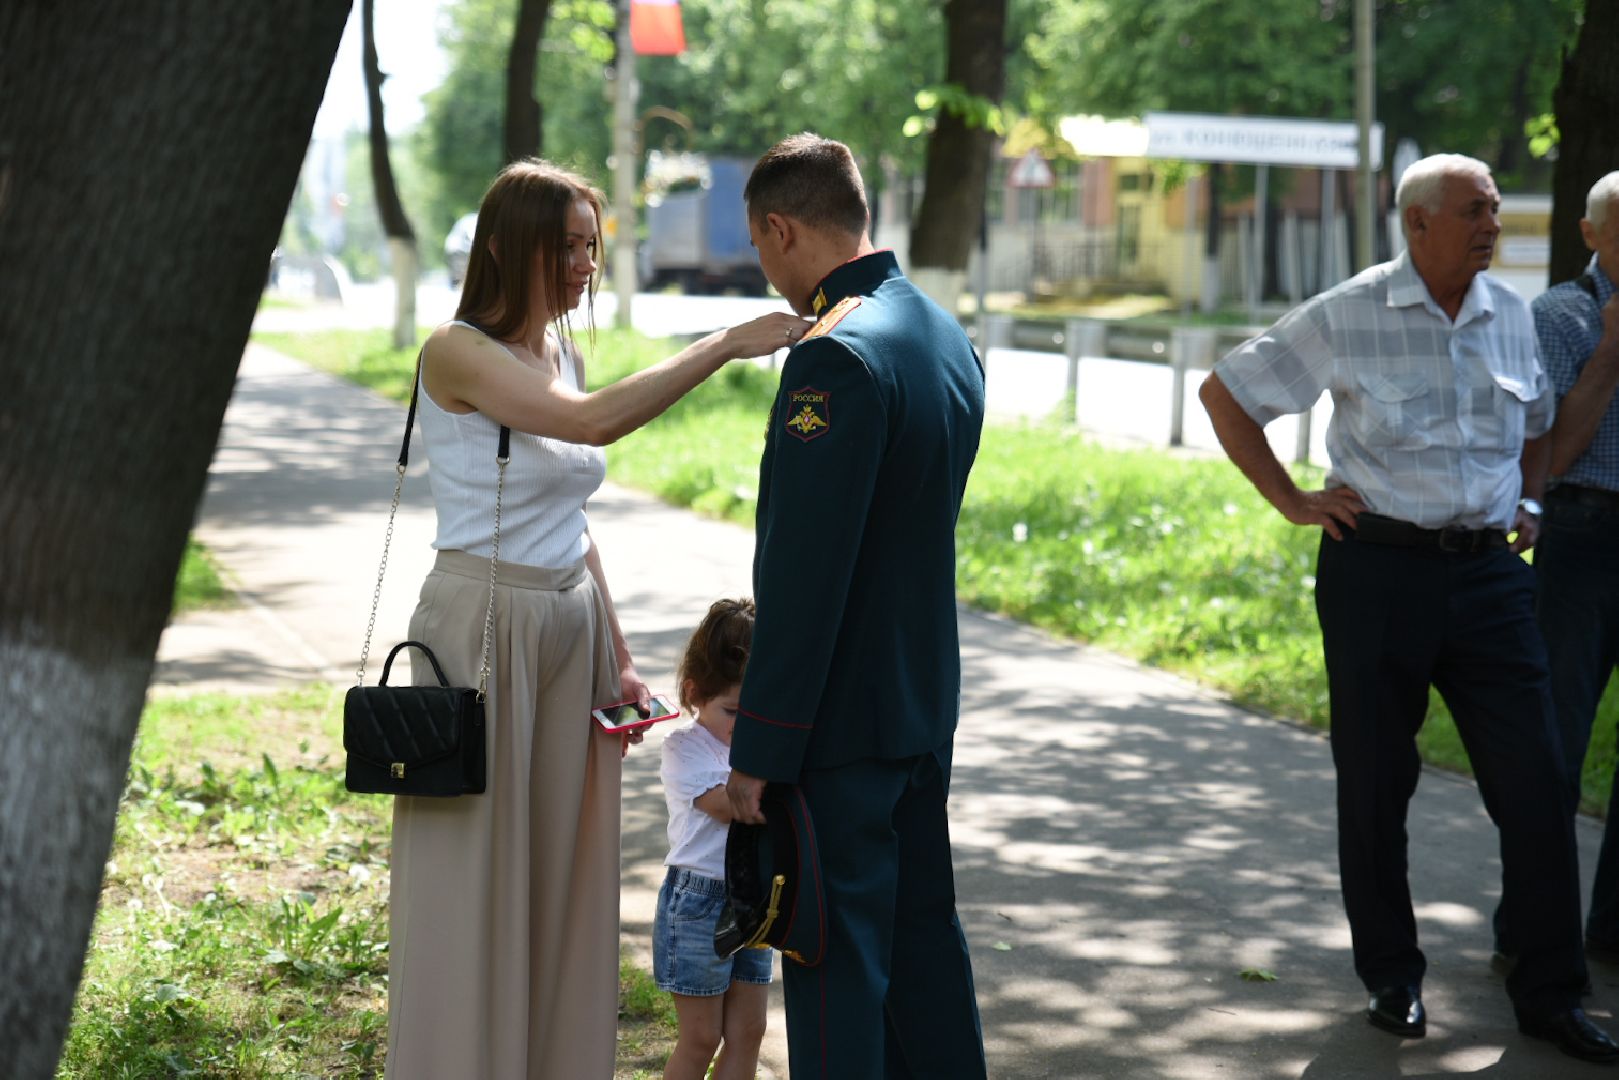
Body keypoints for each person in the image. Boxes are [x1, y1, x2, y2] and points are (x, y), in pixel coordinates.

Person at [386, 159, 810, 1079]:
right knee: (475, 868)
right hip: (483, 624)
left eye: (590, 244)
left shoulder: (560, 350)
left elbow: (571, 521)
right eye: (565, 246)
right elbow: (588, 428)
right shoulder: (454, 350)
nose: (583, 263)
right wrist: (723, 342)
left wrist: (616, 656)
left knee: (565, 872)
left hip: (567, 625)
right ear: (505, 247)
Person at [1198, 153, 1619, 1066]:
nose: (1491, 227)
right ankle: (1393, 977)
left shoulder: (1512, 316)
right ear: (1416, 222)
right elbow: (1226, 394)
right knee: (1378, 783)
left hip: (1490, 580)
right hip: (1376, 573)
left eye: (1496, 211)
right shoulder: (1350, 310)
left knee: (1537, 781)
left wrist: (1533, 500)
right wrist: (1291, 500)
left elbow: (1541, 423)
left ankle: (1549, 993)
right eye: (1473, 211)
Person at [723, 133, 989, 1078]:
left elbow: (804, 576)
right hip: (920, 703)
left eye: (760, 246)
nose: (765, 267)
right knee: (924, 945)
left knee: (832, 967)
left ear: (781, 228)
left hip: (838, 725)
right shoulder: (939, 330)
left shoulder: (833, 357)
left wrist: (759, 747)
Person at [1532, 170, 1619, 957]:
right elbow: (1555, 452)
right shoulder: (1559, 312)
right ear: (1590, 234)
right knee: (1554, 740)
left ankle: (1612, 934)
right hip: (1583, 534)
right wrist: (1613, 345)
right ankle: (1531, 934)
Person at [654, 598, 770, 1080]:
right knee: (701, 1037)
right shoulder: (685, 750)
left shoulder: (757, 753)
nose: (745, 729)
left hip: (755, 898)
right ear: (694, 692)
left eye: (759, 716)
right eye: (733, 712)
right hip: (699, 903)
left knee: (748, 1032)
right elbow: (733, 806)